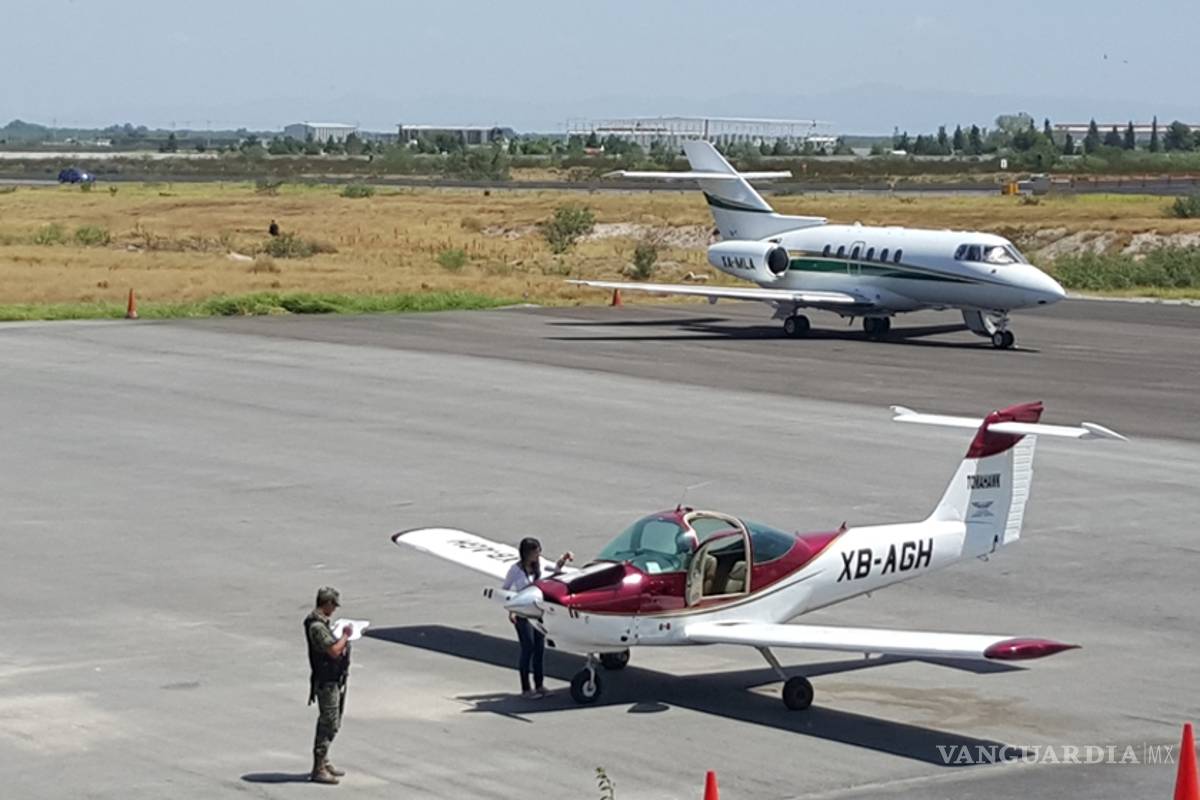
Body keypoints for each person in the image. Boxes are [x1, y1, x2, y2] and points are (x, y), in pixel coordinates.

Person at [502, 538, 572, 698]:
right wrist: (511, 609)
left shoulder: (538, 566)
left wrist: (563, 560)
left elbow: (554, 571)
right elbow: (505, 590)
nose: (539, 554)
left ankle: (539, 685)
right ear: (527, 553)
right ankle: (526, 689)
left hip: (539, 613)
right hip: (522, 613)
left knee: (539, 649)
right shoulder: (515, 570)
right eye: (536, 551)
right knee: (528, 648)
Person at [304, 587, 353, 785]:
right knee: (328, 722)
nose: (334, 610)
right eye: (333, 605)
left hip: (332, 679)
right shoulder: (316, 626)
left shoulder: (321, 623)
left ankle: (323, 760)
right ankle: (318, 767)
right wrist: (345, 636)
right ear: (327, 604)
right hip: (326, 681)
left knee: (333, 720)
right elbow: (333, 650)